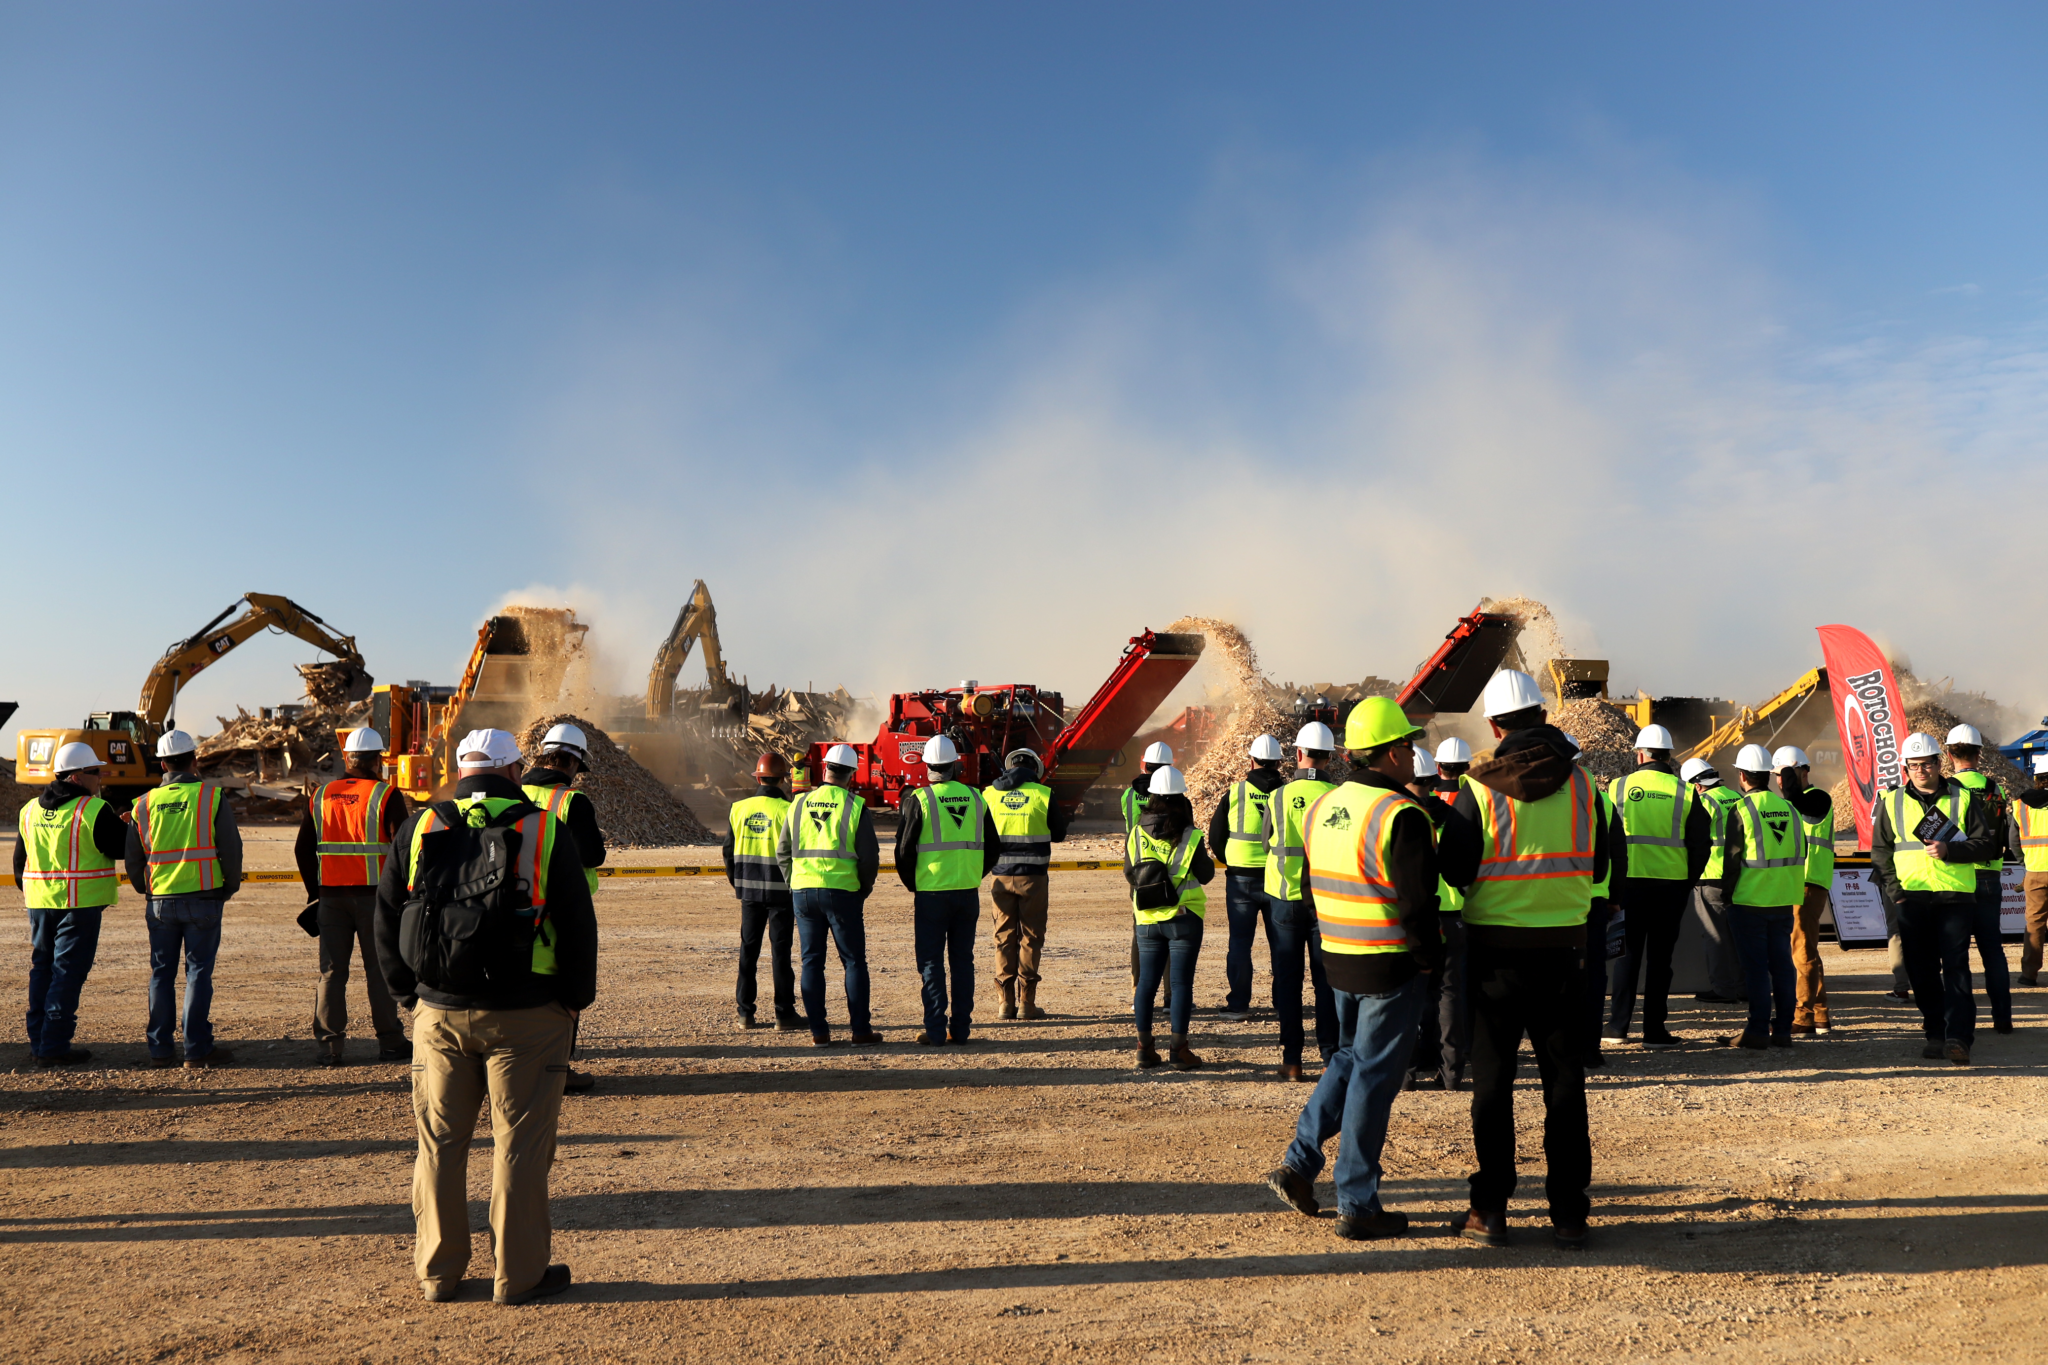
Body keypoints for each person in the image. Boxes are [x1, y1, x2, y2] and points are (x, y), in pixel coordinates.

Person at [374, 728, 598, 1306]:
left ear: (461, 770)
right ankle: (517, 1276)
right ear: (513, 771)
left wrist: (409, 995)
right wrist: (574, 1001)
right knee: (519, 1147)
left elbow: (387, 915)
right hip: (528, 1014)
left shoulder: (421, 826)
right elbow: (577, 924)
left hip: (439, 1012)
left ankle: (438, 1273)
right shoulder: (545, 829)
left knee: (439, 1144)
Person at [1263, 698, 1443, 1240]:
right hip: (1388, 962)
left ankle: (1298, 1165)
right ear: (1390, 752)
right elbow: (1417, 905)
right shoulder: (1401, 814)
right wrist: (1430, 962)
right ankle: (1357, 1200)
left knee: (1348, 1058)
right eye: (1409, 745)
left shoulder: (1326, 807)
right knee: (1374, 1076)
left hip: (1338, 952)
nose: (1415, 755)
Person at [1441, 669, 1609, 1249]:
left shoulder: (1479, 787)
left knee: (1493, 1084)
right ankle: (1568, 1214)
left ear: (1493, 724)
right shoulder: (1585, 784)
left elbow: (1456, 869)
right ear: (1543, 714)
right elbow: (1603, 862)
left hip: (1495, 956)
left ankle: (1489, 1211)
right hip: (1565, 951)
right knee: (1564, 1081)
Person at [1870, 731, 2001, 1066]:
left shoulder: (1963, 798)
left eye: (1925, 764)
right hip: (1912, 899)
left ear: (1938, 763)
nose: (1919, 771)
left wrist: (1950, 850)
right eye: (1912, 765)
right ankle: (1934, 1033)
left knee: (1955, 967)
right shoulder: (1892, 801)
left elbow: (1987, 846)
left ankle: (1958, 1037)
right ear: (1905, 767)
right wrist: (1896, 893)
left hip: (1955, 896)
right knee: (1922, 970)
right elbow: (1881, 852)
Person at [127, 730, 243, 1069]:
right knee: (198, 974)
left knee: (161, 974)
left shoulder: (143, 804)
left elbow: (133, 858)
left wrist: (144, 888)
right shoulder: (212, 797)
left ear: (162, 764)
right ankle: (196, 1048)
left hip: (160, 900)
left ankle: (160, 1050)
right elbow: (231, 849)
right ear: (194, 761)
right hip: (204, 899)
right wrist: (228, 887)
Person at [295, 727, 410, 1066]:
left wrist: (315, 892)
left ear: (347, 758)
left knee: (332, 972)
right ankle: (390, 1043)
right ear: (378, 760)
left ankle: (330, 1047)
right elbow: (402, 849)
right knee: (380, 971)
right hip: (376, 900)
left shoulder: (321, 795)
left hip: (331, 899)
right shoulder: (385, 795)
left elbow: (303, 848)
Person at [14, 742, 126, 1066]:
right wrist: (125, 825)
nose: (100, 777)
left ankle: (39, 1042)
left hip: (39, 904)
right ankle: (53, 1047)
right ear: (77, 777)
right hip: (79, 905)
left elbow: (19, 862)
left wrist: (34, 892)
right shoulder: (92, 810)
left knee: (42, 969)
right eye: (95, 772)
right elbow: (120, 847)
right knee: (66, 973)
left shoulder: (29, 809)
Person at [1602, 725, 1711, 1050]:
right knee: (1661, 959)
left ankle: (1616, 1027)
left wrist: (1612, 885)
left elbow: (1606, 840)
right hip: (1670, 888)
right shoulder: (1686, 791)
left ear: (1640, 754)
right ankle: (1654, 1031)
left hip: (1628, 887)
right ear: (1669, 756)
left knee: (1627, 955)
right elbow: (1701, 845)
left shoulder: (1618, 787)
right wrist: (1686, 881)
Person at [895, 736, 1002, 1045]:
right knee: (962, 962)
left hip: (931, 895)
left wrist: (914, 884)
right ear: (956, 765)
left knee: (931, 963)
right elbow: (993, 848)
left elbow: (903, 851)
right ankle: (961, 1030)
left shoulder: (920, 799)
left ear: (927, 766)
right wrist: (973, 874)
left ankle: (934, 1031)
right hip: (967, 893)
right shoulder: (976, 797)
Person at [777, 742, 884, 1047]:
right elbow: (870, 857)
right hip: (843, 893)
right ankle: (861, 1031)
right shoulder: (854, 806)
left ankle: (819, 1033)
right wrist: (862, 889)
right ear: (851, 774)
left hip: (804, 892)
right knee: (853, 962)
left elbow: (783, 850)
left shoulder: (798, 804)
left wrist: (794, 883)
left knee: (811, 961)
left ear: (824, 768)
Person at [520, 722, 607, 1093]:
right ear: (572, 763)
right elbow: (593, 855)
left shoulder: (515, 790)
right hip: (563, 909)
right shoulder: (572, 802)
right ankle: (558, 1068)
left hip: (517, 901)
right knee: (565, 986)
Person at [1261, 722, 1341, 1081]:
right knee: (1326, 981)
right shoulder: (1338, 797)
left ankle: (1292, 1060)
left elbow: (1266, 844)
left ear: (1297, 755)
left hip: (1284, 899)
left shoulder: (1278, 795)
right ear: (1331, 758)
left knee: (1288, 981)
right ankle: (1329, 1058)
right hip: (1325, 900)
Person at [1124, 764, 1214, 1069]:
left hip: (1147, 919)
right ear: (1182, 799)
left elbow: (1129, 873)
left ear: (1150, 797)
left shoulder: (1136, 832)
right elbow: (1206, 874)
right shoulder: (1190, 835)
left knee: (1146, 983)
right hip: (1184, 919)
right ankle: (1179, 1049)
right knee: (1180, 985)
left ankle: (1144, 1048)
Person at [1720, 745, 1809, 1050]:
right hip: (1784, 900)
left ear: (1742, 775)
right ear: (1767, 776)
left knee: (1756, 968)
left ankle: (1758, 1029)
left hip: (1749, 902)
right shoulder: (1790, 809)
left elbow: (1731, 861)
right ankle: (1782, 1031)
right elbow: (1802, 851)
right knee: (1782, 965)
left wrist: (1726, 896)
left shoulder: (1742, 810)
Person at [984, 748, 1070, 1020]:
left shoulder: (989, 794)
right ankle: (1026, 1004)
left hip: (999, 876)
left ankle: (1004, 1003)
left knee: (1003, 937)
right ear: (1035, 769)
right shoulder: (1043, 794)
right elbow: (1058, 834)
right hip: (1033, 877)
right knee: (1031, 937)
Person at [1403, 744, 1470, 1090]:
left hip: (1416, 919)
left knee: (1412, 995)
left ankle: (1407, 1073)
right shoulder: (1455, 818)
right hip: (1454, 917)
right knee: (1450, 996)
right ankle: (1452, 1075)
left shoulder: (1399, 818)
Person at [1208, 734, 1287, 1023]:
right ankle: (1283, 1003)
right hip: (1278, 876)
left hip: (1241, 878)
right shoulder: (1288, 794)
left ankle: (1239, 1005)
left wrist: (1231, 860)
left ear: (1251, 760)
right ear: (1278, 762)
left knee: (1240, 943)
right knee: (1281, 944)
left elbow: (1216, 837)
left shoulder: (1235, 792)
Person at [1943, 725, 2014, 1034]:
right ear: (1979, 753)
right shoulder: (1994, 788)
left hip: (1956, 880)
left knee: (1954, 955)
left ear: (1948, 754)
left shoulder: (1945, 789)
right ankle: (2003, 1020)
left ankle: (1960, 1022)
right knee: (1992, 951)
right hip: (1989, 877)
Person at [723, 752, 799, 1031]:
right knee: (781, 953)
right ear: (781, 779)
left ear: (758, 777)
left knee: (748, 951)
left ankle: (745, 1013)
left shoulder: (738, 808)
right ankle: (784, 1014)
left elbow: (728, 853)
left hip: (749, 892)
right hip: (781, 893)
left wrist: (739, 882)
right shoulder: (789, 810)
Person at [1771, 745, 1839, 1038]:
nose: (1780, 781)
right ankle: (1820, 1015)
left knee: (1801, 952)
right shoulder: (1792, 802)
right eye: (1777, 775)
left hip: (1808, 882)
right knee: (1806, 949)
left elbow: (1805, 809)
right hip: (1796, 882)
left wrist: (1790, 782)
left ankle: (1803, 1016)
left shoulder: (1817, 798)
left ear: (1801, 771)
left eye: (1783, 774)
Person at [1570, 733, 1626, 1071]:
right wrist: (1615, 899)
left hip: (1555, 903)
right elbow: (1617, 854)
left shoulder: (1541, 797)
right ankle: (1590, 1048)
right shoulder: (1600, 799)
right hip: (1593, 902)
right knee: (1592, 978)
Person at [1682, 757, 1747, 1008]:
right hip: (1738, 875)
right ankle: (1744, 988)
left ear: (1696, 785)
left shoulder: (1703, 802)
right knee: (1736, 935)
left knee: (1715, 936)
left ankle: (1723, 989)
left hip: (1710, 876)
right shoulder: (1736, 797)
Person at [2009, 755, 2048, 986]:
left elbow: (2013, 841)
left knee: (2034, 924)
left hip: (2034, 872)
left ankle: (2029, 975)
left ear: (2037, 778)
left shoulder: (2020, 805)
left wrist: (2027, 863)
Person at [1123, 741, 1174, 834]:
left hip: (1136, 845)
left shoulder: (1129, 794)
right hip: (1165, 847)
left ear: (1145, 767)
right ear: (1169, 767)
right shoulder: (1174, 792)